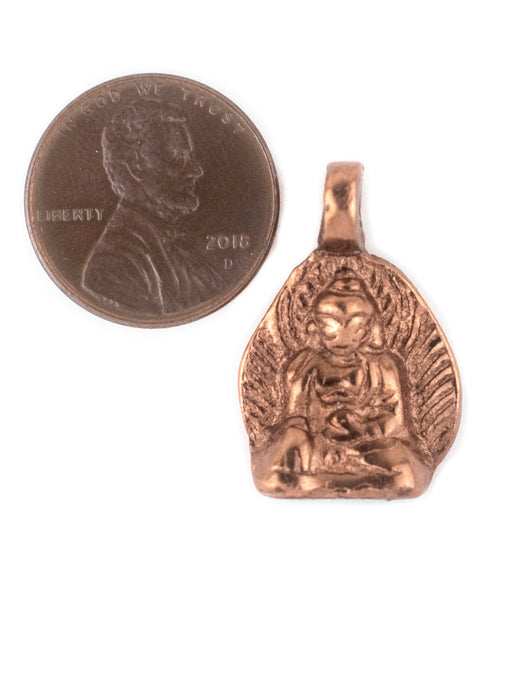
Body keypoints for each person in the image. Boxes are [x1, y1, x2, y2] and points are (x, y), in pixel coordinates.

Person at [256, 269, 430, 496]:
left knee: (407, 474)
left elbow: (396, 421)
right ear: (314, 326)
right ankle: (361, 483)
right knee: (288, 446)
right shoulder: (303, 365)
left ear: (371, 327)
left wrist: (360, 429)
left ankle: (315, 483)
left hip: (367, 445)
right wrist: (322, 436)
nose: (343, 336)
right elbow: (295, 418)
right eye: (332, 325)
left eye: (355, 325)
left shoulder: (383, 366)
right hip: (317, 445)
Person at [82, 99, 223, 315]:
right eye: (178, 158)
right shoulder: (112, 268)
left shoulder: (176, 248)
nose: (196, 170)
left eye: (190, 157)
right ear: (136, 165)